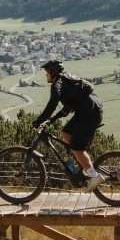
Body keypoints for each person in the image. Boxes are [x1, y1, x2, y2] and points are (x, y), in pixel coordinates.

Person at [31, 59, 105, 191]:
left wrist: (39, 120)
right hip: (89, 109)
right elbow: (67, 108)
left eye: (47, 72)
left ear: (53, 72)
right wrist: (50, 120)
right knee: (66, 133)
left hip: (89, 111)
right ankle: (84, 166)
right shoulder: (65, 81)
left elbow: (52, 104)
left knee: (76, 147)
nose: (46, 75)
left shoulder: (57, 84)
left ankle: (93, 175)